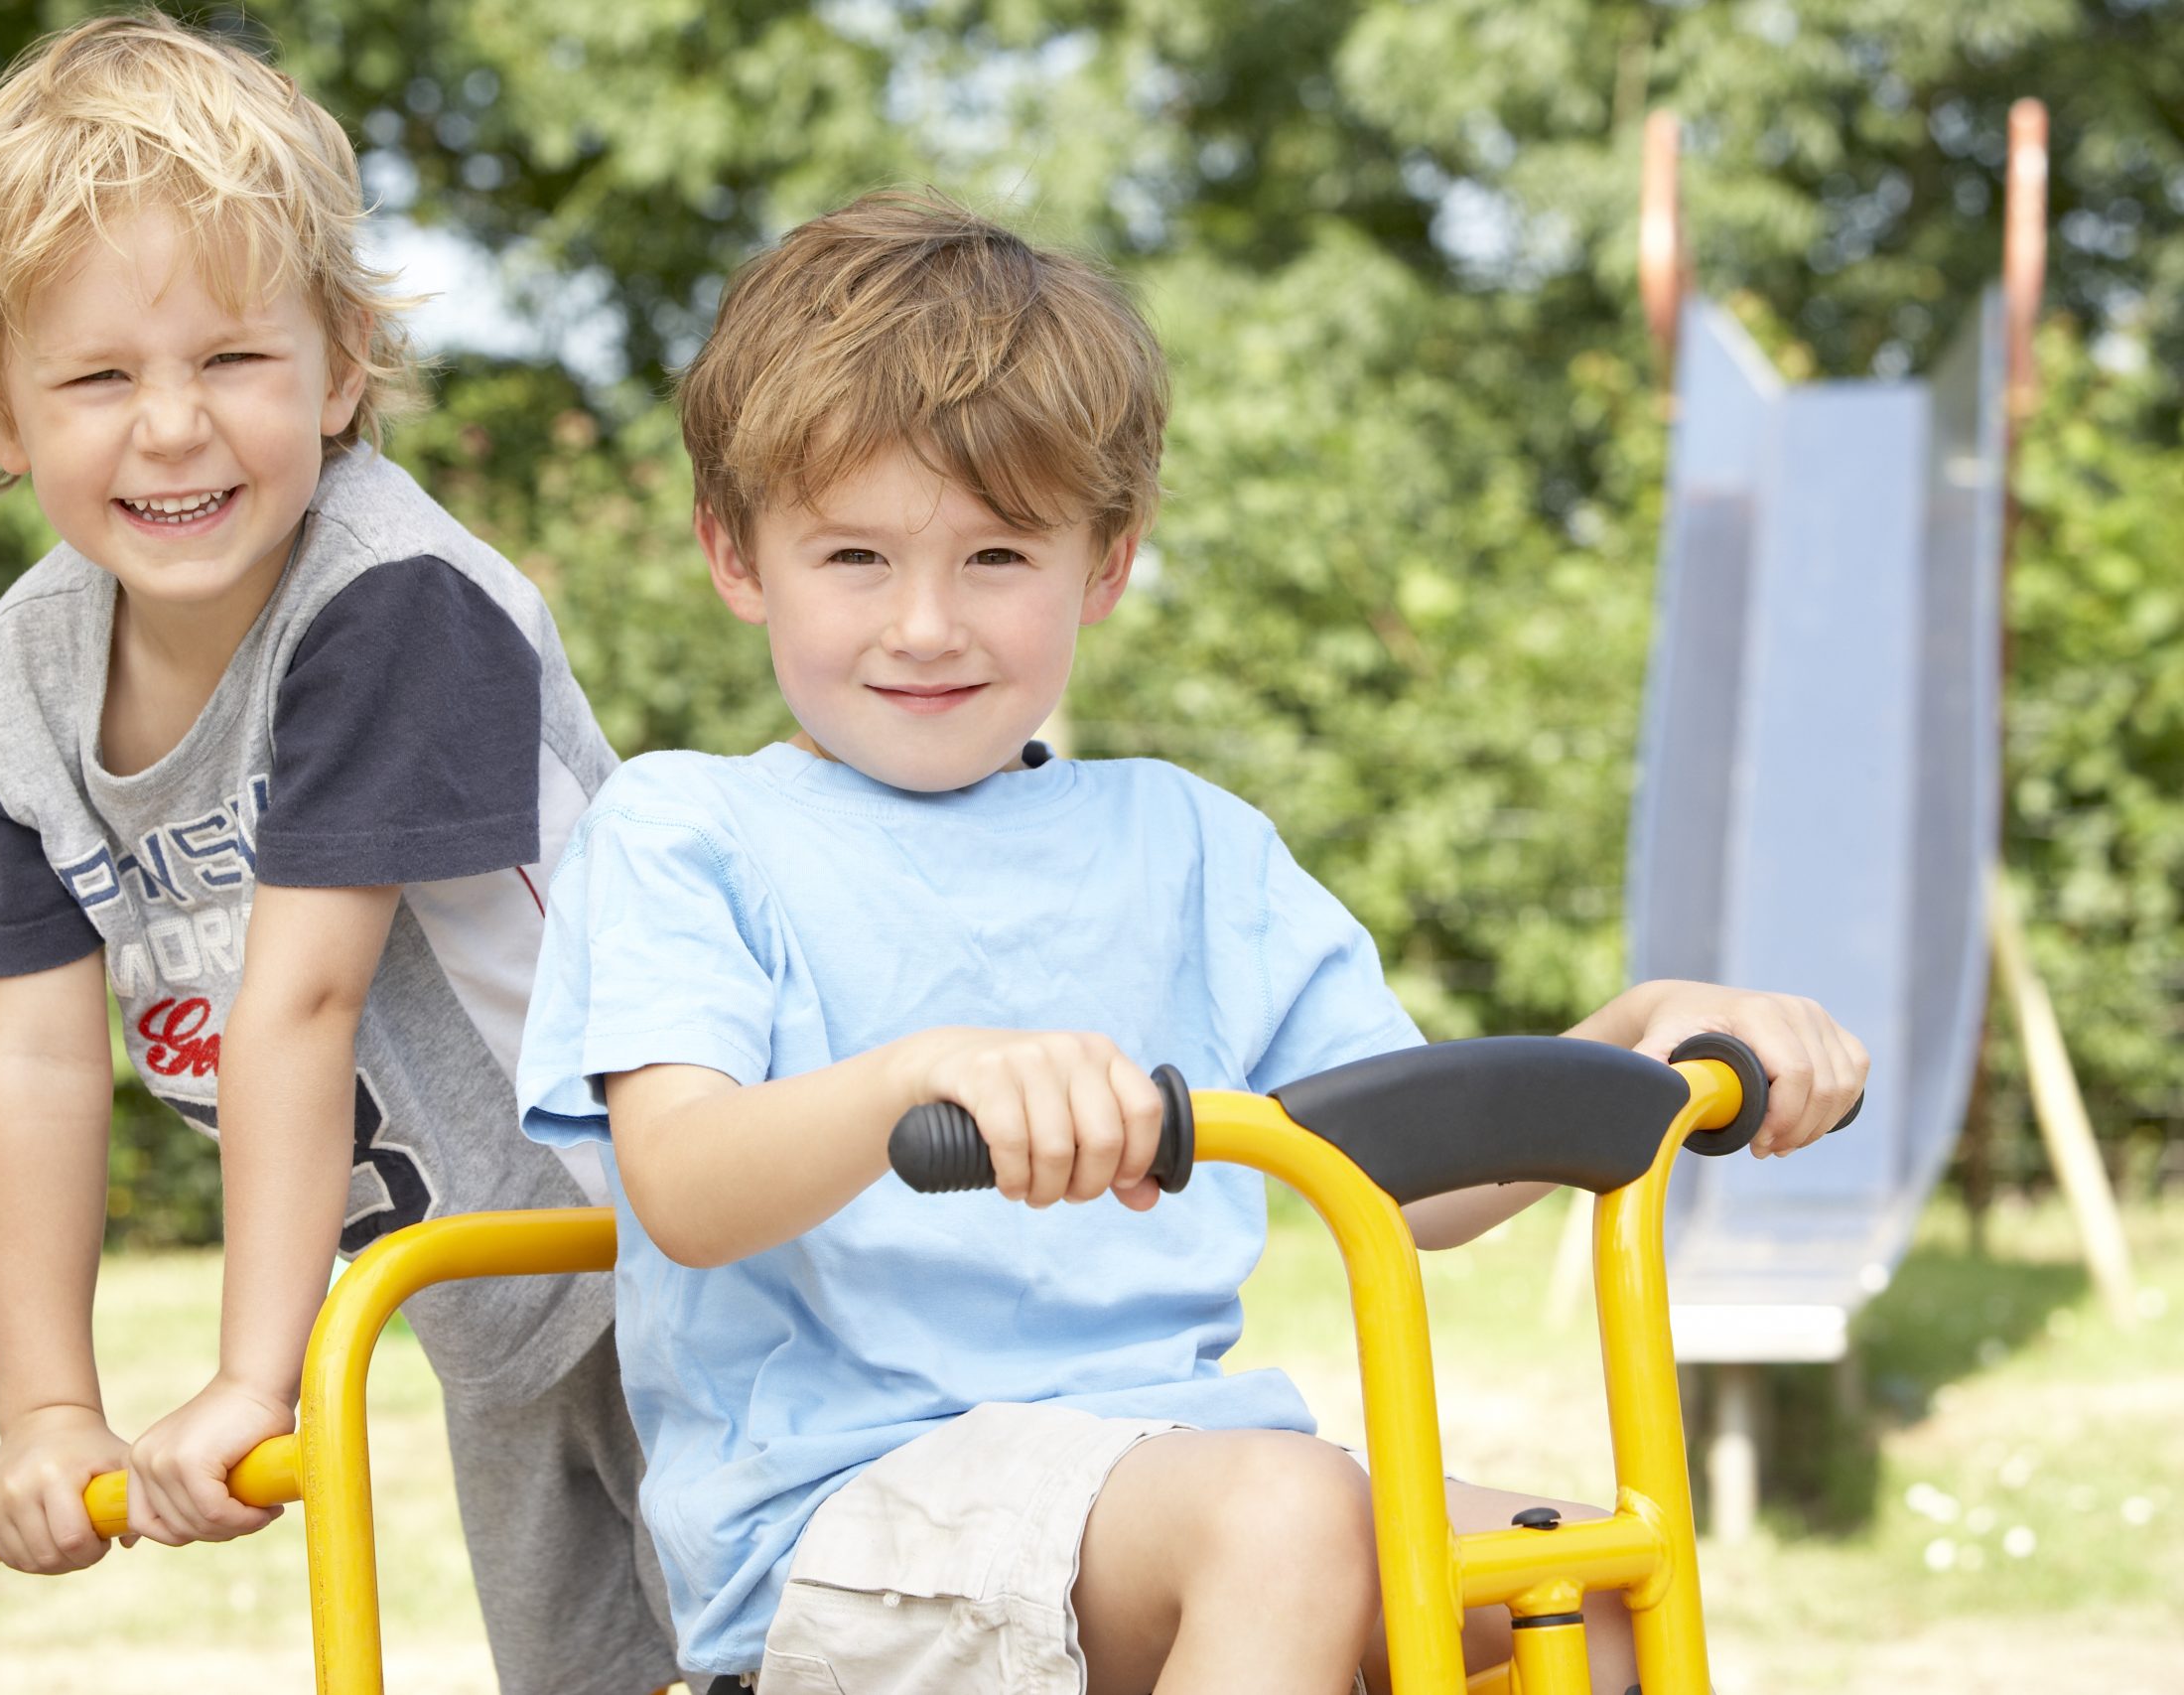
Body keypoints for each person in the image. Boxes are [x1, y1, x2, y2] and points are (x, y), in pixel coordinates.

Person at [515, 190, 1869, 1695]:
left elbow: (1411, 1178)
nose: (924, 625)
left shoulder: (1190, 844)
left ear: (1103, 565)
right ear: (737, 556)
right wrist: (915, 1079)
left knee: (1587, 1583)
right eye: (854, 560)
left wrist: (1636, 1042)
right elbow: (685, 1186)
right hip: (853, 1522)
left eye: (997, 558)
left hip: (1180, 1482)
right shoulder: (688, 831)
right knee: (1290, 1513)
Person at [0, 15, 677, 1690]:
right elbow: (35, 1059)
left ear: (344, 365)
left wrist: (258, 1381)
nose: (170, 427)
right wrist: (48, 1409)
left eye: (234, 359)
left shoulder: (390, 599)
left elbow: (299, 1004)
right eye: (98, 377)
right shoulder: (14, 686)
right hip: (479, 1305)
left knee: (806, 1648)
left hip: (675, 1249)